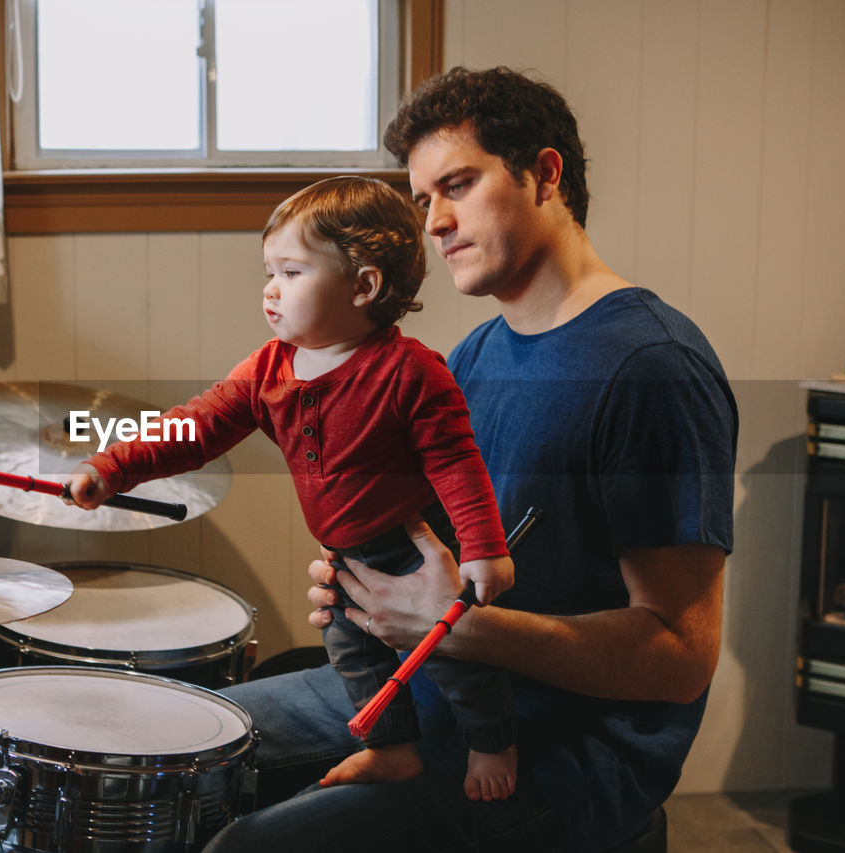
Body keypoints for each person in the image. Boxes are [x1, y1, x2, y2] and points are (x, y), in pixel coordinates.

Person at [201, 66, 737, 853]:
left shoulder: (649, 367)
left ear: (545, 174)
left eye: (458, 185)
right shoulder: (476, 353)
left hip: (559, 754)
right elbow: (439, 543)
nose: (435, 222)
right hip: (427, 686)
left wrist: (459, 630)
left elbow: (680, 657)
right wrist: (365, 578)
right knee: (185, 742)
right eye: (423, 201)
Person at [67, 174, 521, 799]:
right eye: (269, 272)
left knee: (451, 656)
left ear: (364, 286)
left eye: (291, 272)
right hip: (343, 553)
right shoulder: (267, 369)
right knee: (352, 656)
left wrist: (483, 548)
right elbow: (192, 428)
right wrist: (113, 466)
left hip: (409, 548)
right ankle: (393, 751)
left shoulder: (410, 372)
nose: (269, 291)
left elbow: (457, 463)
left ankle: (493, 742)